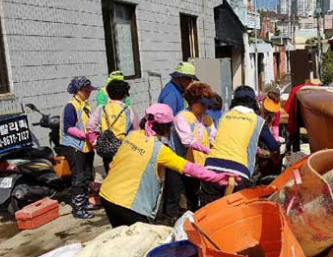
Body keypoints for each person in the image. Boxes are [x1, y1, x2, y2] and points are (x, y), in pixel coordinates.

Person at [99, 104, 238, 228]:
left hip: (107, 195)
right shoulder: (160, 150)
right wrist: (217, 177)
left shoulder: (132, 136)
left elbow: (112, 164)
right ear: (166, 127)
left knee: (120, 239)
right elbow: (189, 168)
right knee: (139, 245)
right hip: (129, 205)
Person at [199, 85, 281, 206]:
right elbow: (273, 146)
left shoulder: (223, 116)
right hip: (238, 173)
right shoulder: (257, 120)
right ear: (253, 101)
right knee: (235, 216)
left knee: (208, 215)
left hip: (211, 168)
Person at [165, 83, 217, 216]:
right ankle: (171, 221)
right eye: (203, 104)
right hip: (178, 162)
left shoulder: (207, 119)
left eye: (207, 104)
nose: (206, 107)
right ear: (193, 102)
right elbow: (187, 140)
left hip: (197, 164)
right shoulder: (182, 117)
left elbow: (213, 136)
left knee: (194, 196)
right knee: (174, 196)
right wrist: (207, 150)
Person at [61, 76, 98, 219]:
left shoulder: (86, 105)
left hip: (86, 146)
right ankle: (78, 208)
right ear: (79, 91)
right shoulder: (71, 106)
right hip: (75, 146)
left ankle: (84, 201)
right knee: (79, 176)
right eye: (87, 90)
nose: (89, 93)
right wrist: (84, 135)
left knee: (88, 174)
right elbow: (68, 127)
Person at [86, 79, 139, 174]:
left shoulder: (101, 109)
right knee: (124, 175)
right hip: (124, 148)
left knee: (110, 174)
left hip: (107, 149)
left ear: (108, 94)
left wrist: (94, 141)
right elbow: (136, 130)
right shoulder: (129, 110)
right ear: (125, 95)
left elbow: (90, 127)